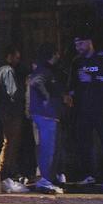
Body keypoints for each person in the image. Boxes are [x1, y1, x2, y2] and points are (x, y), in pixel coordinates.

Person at [67, 28, 103, 188]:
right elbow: (72, 82)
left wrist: (94, 78)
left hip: (102, 108)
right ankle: (88, 174)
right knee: (84, 143)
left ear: (90, 42)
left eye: (81, 43)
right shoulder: (76, 61)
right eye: (76, 44)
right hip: (83, 109)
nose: (78, 47)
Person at [27, 43, 65, 193]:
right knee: (48, 148)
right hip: (47, 114)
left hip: (45, 114)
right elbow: (36, 83)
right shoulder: (45, 71)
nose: (58, 57)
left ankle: (48, 178)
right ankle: (45, 180)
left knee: (48, 147)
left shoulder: (42, 70)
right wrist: (48, 98)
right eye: (56, 54)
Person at [0, 46, 27, 192]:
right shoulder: (7, 71)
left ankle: (6, 169)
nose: (18, 61)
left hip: (3, 112)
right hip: (10, 113)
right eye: (16, 57)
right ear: (10, 56)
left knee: (7, 141)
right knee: (10, 142)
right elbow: (13, 92)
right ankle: (5, 171)